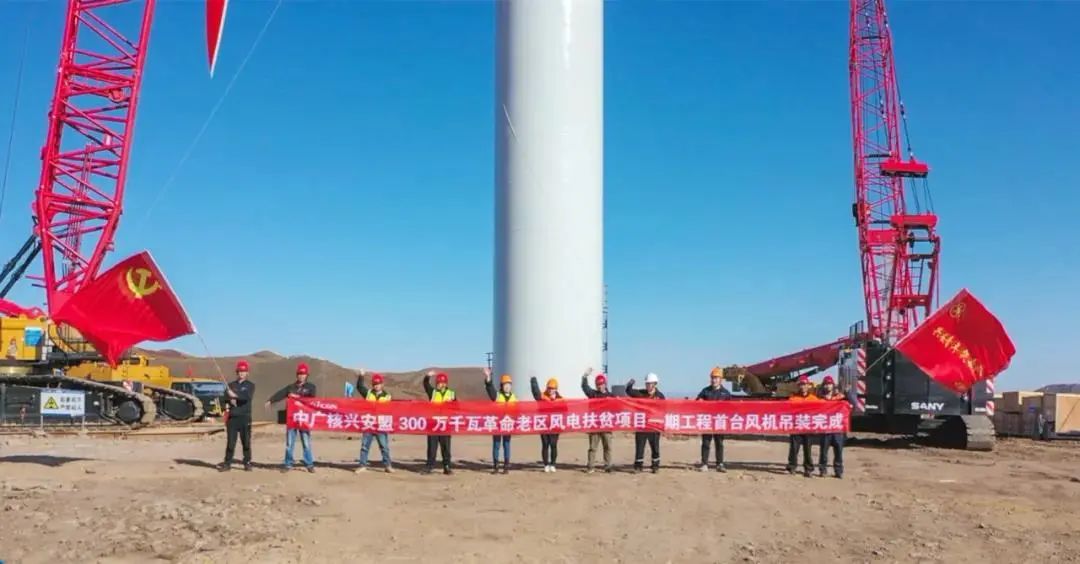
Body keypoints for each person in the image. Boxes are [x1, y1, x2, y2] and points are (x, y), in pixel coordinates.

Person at [266, 362, 317, 473]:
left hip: (304, 419)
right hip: (292, 419)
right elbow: (281, 393)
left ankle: (309, 464)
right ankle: (288, 464)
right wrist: (271, 400)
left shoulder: (311, 387)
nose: (301, 376)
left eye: (303, 374)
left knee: (306, 443)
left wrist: (297, 397)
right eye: (300, 374)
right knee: (289, 443)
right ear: (297, 375)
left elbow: (311, 399)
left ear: (307, 375)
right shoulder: (291, 387)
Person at [218, 359, 255, 472]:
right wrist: (226, 406)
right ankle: (227, 463)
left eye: (243, 371)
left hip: (244, 417)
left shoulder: (250, 385)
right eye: (239, 371)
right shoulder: (230, 385)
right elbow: (223, 398)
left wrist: (234, 395)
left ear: (247, 373)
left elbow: (246, 397)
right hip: (232, 418)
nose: (241, 373)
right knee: (230, 443)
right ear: (237, 372)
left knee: (246, 442)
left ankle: (247, 462)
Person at [626, 373, 665, 473]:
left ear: (655, 384)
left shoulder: (660, 396)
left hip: (654, 426)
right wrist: (630, 384)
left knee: (655, 447)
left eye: (649, 383)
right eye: (646, 383)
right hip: (642, 426)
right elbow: (629, 391)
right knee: (640, 447)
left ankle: (655, 466)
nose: (647, 385)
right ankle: (638, 466)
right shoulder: (641, 394)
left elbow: (663, 410)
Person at [355, 369, 393, 473]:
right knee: (364, 446)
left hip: (382, 424)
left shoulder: (387, 397)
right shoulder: (368, 394)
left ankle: (387, 465)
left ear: (382, 384)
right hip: (369, 423)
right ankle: (362, 465)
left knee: (384, 446)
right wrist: (361, 376)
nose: (376, 386)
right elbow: (359, 387)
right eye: (375, 384)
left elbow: (391, 410)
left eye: (378, 384)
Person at [697, 366, 732, 472]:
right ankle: (704, 464)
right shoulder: (705, 391)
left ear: (721, 379)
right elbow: (697, 402)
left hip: (719, 421)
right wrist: (700, 401)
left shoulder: (726, 393)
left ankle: (720, 464)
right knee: (706, 443)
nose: (714, 380)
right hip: (707, 421)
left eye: (716, 378)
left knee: (719, 443)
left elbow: (731, 408)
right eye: (713, 378)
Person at [581, 367, 614, 473]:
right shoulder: (593, 395)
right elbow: (585, 387)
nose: (600, 386)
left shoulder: (611, 396)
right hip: (595, 425)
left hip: (606, 426)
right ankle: (591, 466)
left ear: (605, 384)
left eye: (601, 384)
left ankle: (607, 466)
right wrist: (584, 377)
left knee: (607, 447)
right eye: (598, 384)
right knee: (592, 447)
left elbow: (619, 407)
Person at [422, 370, 455, 475]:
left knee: (446, 447)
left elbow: (457, 407)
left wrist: (451, 405)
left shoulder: (451, 394)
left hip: (445, 424)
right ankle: (430, 466)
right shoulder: (433, 392)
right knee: (432, 447)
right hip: (433, 424)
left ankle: (447, 466)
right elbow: (426, 385)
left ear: (445, 384)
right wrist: (427, 376)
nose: (439, 384)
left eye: (441, 383)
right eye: (438, 383)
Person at [786, 374, 820, 477]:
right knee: (794, 449)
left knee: (807, 449)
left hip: (808, 428)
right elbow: (786, 409)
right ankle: (792, 467)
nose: (803, 386)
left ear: (808, 386)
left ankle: (808, 469)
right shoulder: (793, 398)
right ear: (798, 386)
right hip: (796, 427)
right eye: (801, 384)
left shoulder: (814, 399)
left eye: (805, 384)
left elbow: (822, 409)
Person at [484, 368, 515, 474]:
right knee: (496, 445)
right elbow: (490, 389)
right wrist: (488, 377)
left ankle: (506, 466)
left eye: (509, 384)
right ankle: (496, 466)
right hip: (497, 424)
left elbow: (518, 411)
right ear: (501, 386)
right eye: (505, 384)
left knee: (507, 445)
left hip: (508, 424)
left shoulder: (514, 398)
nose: (507, 386)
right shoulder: (497, 396)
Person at [530, 376, 563, 473]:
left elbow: (565, 411)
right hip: (543, 424)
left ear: (556, 389)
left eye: (553, 388)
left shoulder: (560, 399)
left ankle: (553, 464)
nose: (551, 390)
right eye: (549, 388)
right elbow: (536, 393)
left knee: (553, 445)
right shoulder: (542, 397)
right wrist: (533, 382)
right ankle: (546, 464)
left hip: (555, 425)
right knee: (545, 445)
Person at [817, 375, 846, 478]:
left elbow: (852, 404)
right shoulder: (819, 398)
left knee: (838, 451)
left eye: (829, 384)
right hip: (825, 429)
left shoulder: (840, 397)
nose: (828, 386)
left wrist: (848, 394)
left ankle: (838, 471)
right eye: (826, 384)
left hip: (837, 429)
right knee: (823, 451)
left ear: (833, 385)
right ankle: (822, 470)